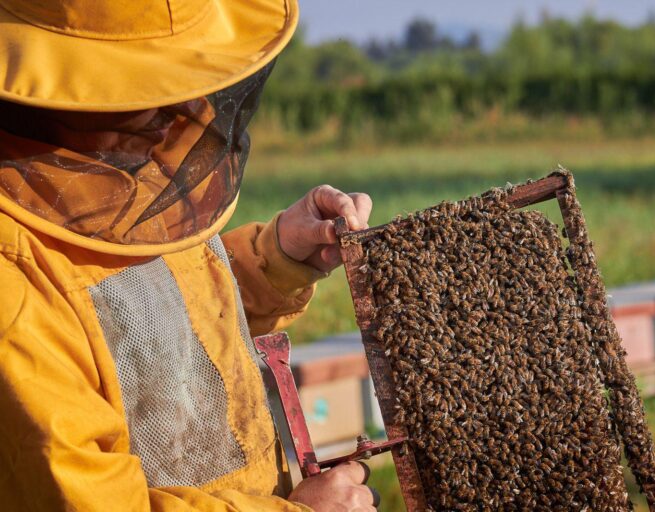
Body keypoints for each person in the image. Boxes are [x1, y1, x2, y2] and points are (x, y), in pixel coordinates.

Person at [0, 0, 377, 510]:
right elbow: (87, 499)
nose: (178, 110)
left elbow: (156, 325)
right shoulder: (13, 282)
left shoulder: (105, 173)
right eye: (144, 87)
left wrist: (279, 254)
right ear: (56, 92)